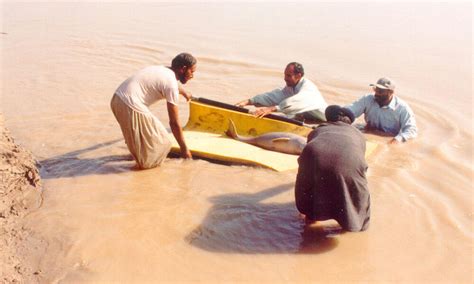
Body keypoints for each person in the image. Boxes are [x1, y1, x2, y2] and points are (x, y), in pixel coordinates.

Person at [110, 52, 196, 169]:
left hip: (117, 100)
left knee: (142, 146)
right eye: (192, 71)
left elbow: (170, 84)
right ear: (183, 69)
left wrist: (184, 92)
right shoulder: (171, 85)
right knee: (163, 143)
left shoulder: (162, 70)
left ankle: (131, 163)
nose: (192, 76)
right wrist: (185, 150)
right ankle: (140, 175)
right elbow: (174, 123)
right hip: (130, 105)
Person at [295, 105, 370, 232]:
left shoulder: (316, 130)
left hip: (314, 157)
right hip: (350, 162)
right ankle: (353, 227)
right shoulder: (359, 135)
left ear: (328, 120)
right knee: (356, 199)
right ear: (349, 123)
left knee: (311, 181)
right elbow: (360, 163)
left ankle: (310, 220)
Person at [235, 62, 328, 122]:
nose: (285, 79)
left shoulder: (308, 88)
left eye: (288, 76)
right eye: (285, 75)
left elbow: (295, 102)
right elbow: (274, 96)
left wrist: (270, 109)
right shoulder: (291, 87)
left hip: (325, 120)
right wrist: (249, 101)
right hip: (309, 117)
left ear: (298, 76)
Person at [345, 77, 417, 144]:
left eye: (380, 91)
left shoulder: (402, 108)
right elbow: (349, 112)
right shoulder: (367, 99)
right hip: (368, 130)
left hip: (388, 138)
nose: (376, 94)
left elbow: (411, 130)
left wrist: (396, 140)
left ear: (391, 92)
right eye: (376, 89)